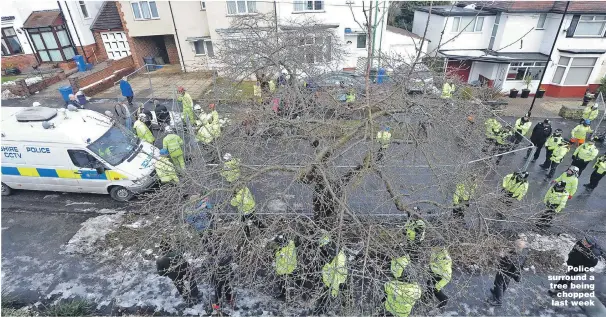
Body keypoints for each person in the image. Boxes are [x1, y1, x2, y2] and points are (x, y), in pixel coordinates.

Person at [487, 239, 528, 306]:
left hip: (505, 272)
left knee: (498, 283)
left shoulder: (511, 256)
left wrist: (501, 257)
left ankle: (498, 301)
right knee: (505, 283)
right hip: (512, 273)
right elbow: (522, 265)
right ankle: (497, 292)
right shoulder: (522, 255)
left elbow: (504, 266)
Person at [315, 249, 347, 314]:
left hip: (335, 255)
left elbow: (325, 269)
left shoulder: (340, 280)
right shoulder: (340, 281)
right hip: (336, 254)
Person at [272, 234, 298, 301]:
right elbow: (278, 257)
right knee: (282, 284)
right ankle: (283, 295)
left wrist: (281, 255)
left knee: (287, 284)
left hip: (288, 269)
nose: (277, 244)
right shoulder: (282, 247)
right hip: (282, 270)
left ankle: (288, 298)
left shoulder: (289, 248)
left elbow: (288, 258)